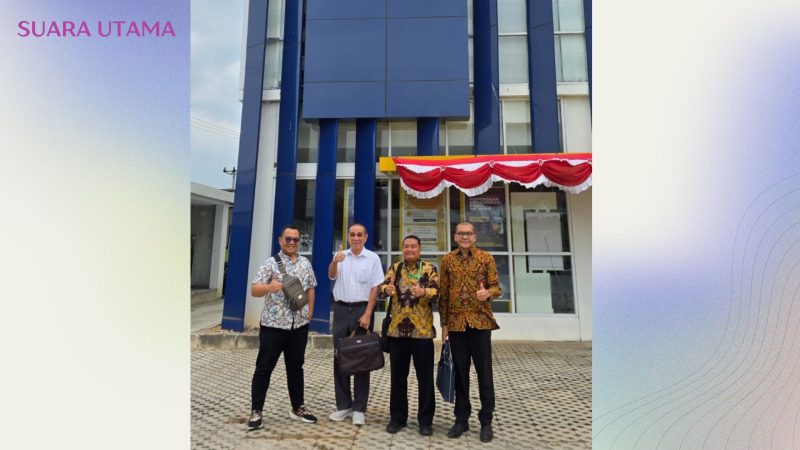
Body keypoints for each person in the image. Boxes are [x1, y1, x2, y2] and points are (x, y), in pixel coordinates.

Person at [248, 225, 318, 429]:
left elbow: (311, 287)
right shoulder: (270, 264)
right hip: (273, 326)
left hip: (299, 327)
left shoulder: (305, 263)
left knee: (296, 368)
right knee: (264, 369)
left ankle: (298, 408)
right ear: (280, 240)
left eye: (296, 239)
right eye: (288, 239)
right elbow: (254, 289)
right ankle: (256, 411)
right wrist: (269, 287)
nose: (292, 243)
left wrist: (310, 312)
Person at [439, 221, 501, 442]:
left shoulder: (486, 258)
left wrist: (488, 294)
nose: (465, 237)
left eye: (469, 234)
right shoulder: (447, 260)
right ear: (455, 237)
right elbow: (444, 294)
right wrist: (444, 324)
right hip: (456, 325)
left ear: (474, 237)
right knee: (460, 374)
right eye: (461, 234)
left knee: (485, 374)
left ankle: (486, 421)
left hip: (480, 324)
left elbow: (497, 287)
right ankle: (461, 419)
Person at [380, 235, 439, 436]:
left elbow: (438, 291)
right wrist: (386, 289)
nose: (410, 250)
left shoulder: (429, 269)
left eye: (413, 246)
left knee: (425, 379)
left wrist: (425, 292)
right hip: (397, 333)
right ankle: (397, 418)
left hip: (422, 333)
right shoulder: (395, 268)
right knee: (398, 378)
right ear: (402, 249)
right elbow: (382, 287)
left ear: (420, 249)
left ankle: (425, 421)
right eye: (406, 246)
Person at [327, 223, 385, 426]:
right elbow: (331, 275)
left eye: (360, 234)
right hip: (342, 310)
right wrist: (335, 261)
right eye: (352, 234)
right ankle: (343, 405)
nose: (356, 237)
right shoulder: (340, 255)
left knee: (362, 358)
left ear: (366, 237)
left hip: (362, 310)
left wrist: (368, 313)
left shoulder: (372, 258)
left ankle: (359, 407)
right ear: (349, 237)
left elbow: (375, 287)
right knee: (340, 357)